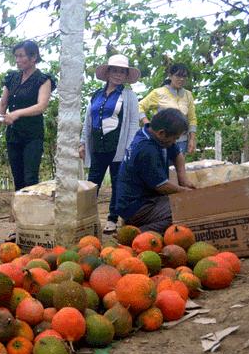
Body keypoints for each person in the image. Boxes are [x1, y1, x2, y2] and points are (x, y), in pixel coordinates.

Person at [0, 40, 55, 243]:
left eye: (21, 56)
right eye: (16, 56)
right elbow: (3, 103)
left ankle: (33, 227)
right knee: (18, 181)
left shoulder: (43, 80)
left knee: (30, 179)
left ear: (33, 57)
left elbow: (41, 106)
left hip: (32, 135)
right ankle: (20, 228)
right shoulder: (12, 78)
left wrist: (16, 114)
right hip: (14, 136)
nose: (17, 60)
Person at [78, 54, 146, 235]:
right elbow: (88, 120)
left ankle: (112, 219)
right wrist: (83, 142)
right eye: (114, 70)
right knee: (92, 182)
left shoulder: (129, 95)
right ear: (108, 73)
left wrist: (129, 147)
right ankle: (87, 218)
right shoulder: (96, 95)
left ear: (125, 76)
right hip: (97, 143)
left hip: (118, 144)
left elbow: (133, 123)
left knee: (117, 182)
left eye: (122, 72)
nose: (117, 74)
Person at [116, 108, 196, 235]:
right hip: (136, 207)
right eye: (174, 138)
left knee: (184, 205)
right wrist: (186, 193)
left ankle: (137, 224)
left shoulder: (151, 133)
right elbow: (161, 186)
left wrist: (183, 178)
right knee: (183, 212)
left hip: (148, 199)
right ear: (161, 133)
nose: (174, 142)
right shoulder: (146, 148)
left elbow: (177, 155)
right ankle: (135, 233)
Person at [138, 62, 197, 155]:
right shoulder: (158, 93)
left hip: (182, 141)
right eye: (178, 76)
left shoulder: (188, 95)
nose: (181, 79)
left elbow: (192, 119)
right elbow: (139, 106)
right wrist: (148, 124)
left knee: (177, 168)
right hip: (162, 140)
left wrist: (192, 139)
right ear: (170, 76)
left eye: (184, 77)